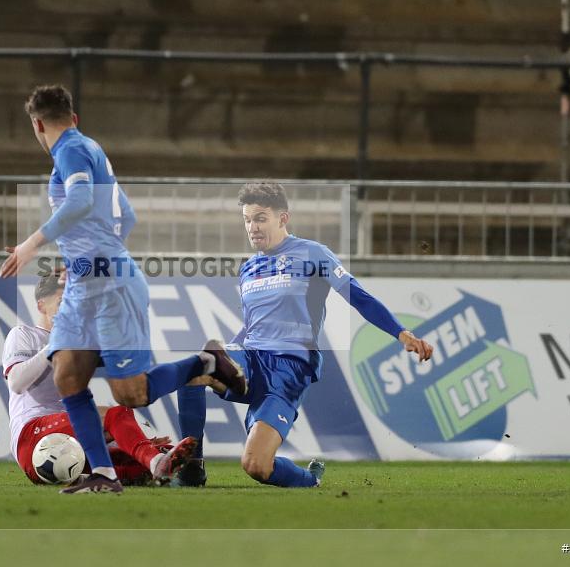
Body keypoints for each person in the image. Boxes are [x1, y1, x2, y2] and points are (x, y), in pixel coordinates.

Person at [0, 85, 246, 494]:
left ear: (37, 125)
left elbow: (78, 202)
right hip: (88, 278)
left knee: (132, 394)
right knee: (68, 376)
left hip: (107, 281)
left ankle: (205, 362)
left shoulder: (70, 151)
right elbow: (126, 214)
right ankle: (105, 473)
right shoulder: (88, 148)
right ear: (73, 117)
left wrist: (32, 244)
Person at [173, 182, 434, 488]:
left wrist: (401, 333)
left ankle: (310, 479)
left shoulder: (313, 254)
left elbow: (357, 296)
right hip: (253, 360)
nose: (252, 227)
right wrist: (231, 348)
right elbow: (253, 326)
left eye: (260, 218)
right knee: (195, 369)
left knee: (256, 465)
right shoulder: (249, 268)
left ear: (283, 218)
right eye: (246, 220)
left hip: (289, 369)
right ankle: (193, 466)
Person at [3, 270, 198, 486]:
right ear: (41, 306)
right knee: (116, 414)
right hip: (33, 437)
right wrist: (54, 346)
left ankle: (145, 464)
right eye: (61, 303)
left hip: (69, 444)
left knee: (148, 452)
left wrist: (135, 441)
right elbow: (16, 382)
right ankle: (155, 462)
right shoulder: (24, 334)